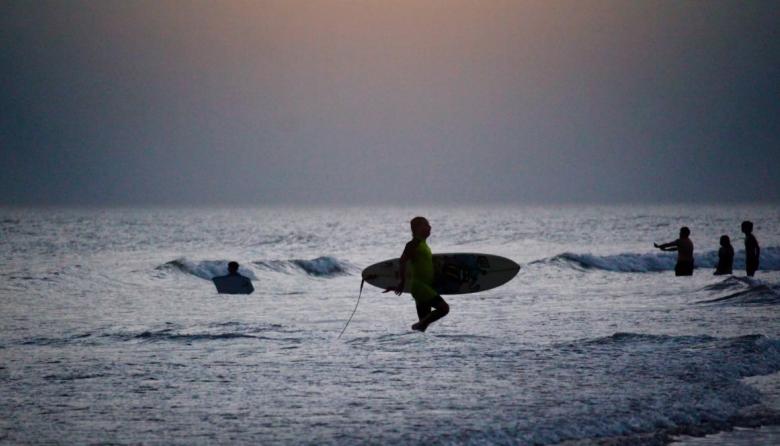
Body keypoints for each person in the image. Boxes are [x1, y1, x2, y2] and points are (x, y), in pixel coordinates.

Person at [384, 216, 449, 332]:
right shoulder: (413, 244)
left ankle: (417, 341)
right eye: (426, 225)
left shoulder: (424, 245)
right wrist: (402, 282)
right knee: (444, 309)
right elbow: (402, 261)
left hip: (425, 287)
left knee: (422, 329)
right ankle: (416, 326)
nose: (430, 227)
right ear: (418, 228)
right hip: (420, 287)